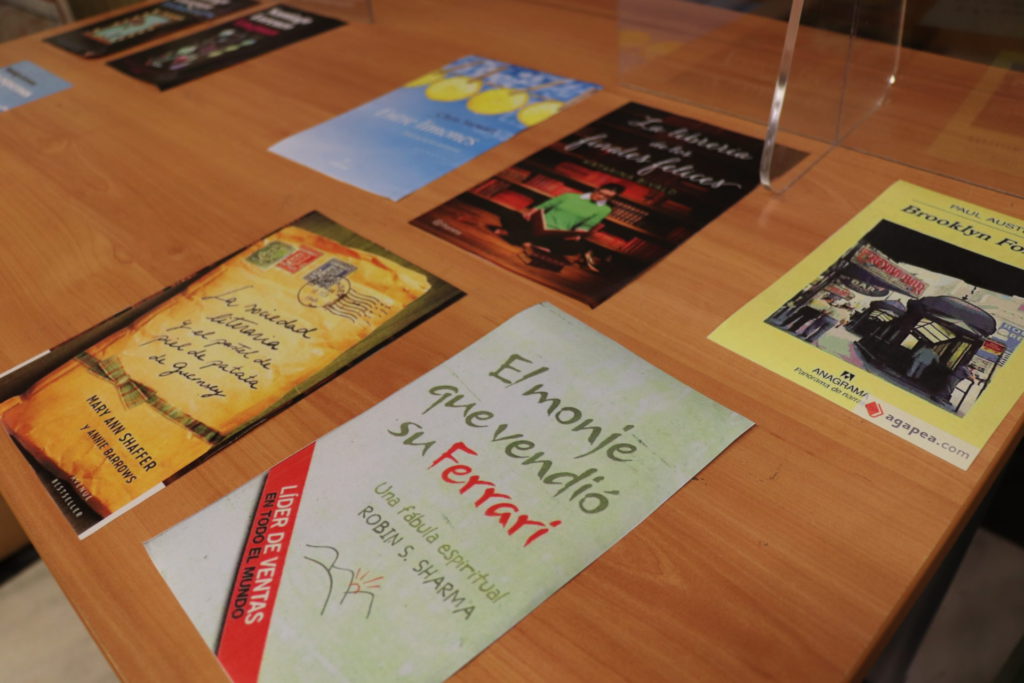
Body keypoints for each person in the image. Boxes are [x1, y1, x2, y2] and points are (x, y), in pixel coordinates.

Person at [498, 184, 625, 269]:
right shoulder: (569, 196)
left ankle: (519, 238)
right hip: (536, 225)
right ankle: (531, 243)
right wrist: (531, 212)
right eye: (600, 193)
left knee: (577, 247)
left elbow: (587, 225)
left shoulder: (604, 209)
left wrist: (577, 235)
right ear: (597, 189)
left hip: (554, 234)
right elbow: (545, 205)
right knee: (508, 214)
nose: (601, 197)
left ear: (611, 199)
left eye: (607, 197)